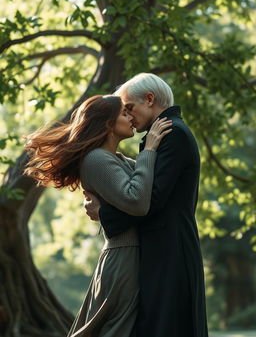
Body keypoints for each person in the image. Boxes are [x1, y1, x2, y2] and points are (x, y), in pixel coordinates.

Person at [23, 94, 172, 337]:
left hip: (131, 254)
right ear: (108, 124)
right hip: (125, 257)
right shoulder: (96, 159)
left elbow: (150, 188)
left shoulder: (114, 158)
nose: (131, 118)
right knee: (116, 329)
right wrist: (150, 149)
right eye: (124, 113)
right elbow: (136, 201)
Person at [84, 73, 209, 337]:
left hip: (170, 250)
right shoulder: (162, 132)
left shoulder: (171, 133)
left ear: (149, 99)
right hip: (161, 248)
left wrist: (105, 213)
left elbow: (150, 199)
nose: (129, 117)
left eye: (130, 108)